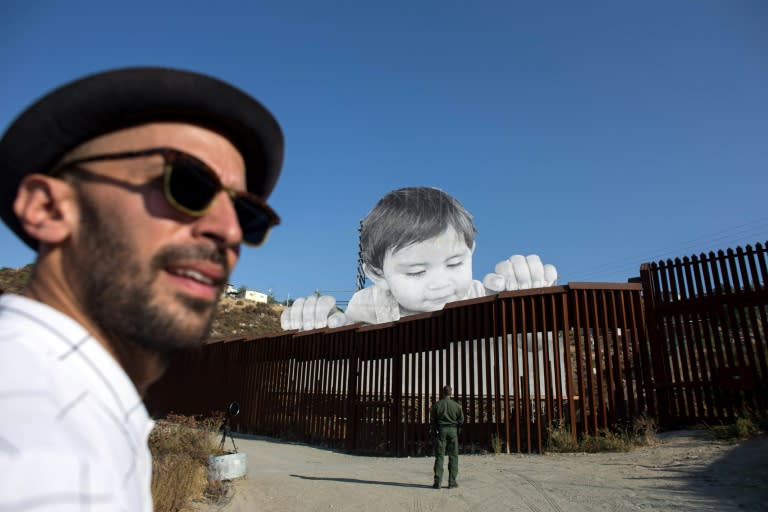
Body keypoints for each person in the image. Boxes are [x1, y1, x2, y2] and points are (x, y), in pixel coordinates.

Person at [0, 67, 284, 511]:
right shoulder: (35, 428)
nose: (229, 232)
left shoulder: (82, 409)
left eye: (246, 215)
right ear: (49, 207)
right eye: (189, 186)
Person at [281, 186, 558, 330]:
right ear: (377, 273)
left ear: (471, 252)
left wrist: (527, 304)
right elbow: (347, 358)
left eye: (454, 263)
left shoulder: (486, 298)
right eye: (415, 272)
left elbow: (530, 349)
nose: (440, 284)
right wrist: (323, 328)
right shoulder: (367, 306)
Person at [430, 385, 464, 489]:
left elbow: (432, 421)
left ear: (442, 392)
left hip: (441, 431)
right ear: (451, 393)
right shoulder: (456, 405)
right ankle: (452, 482)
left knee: (439, 456)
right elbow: (461, 420)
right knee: (453, 456)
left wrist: (435, 432)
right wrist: (457, 431)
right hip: (453, 431)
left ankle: (437, 482)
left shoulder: (437, 405)